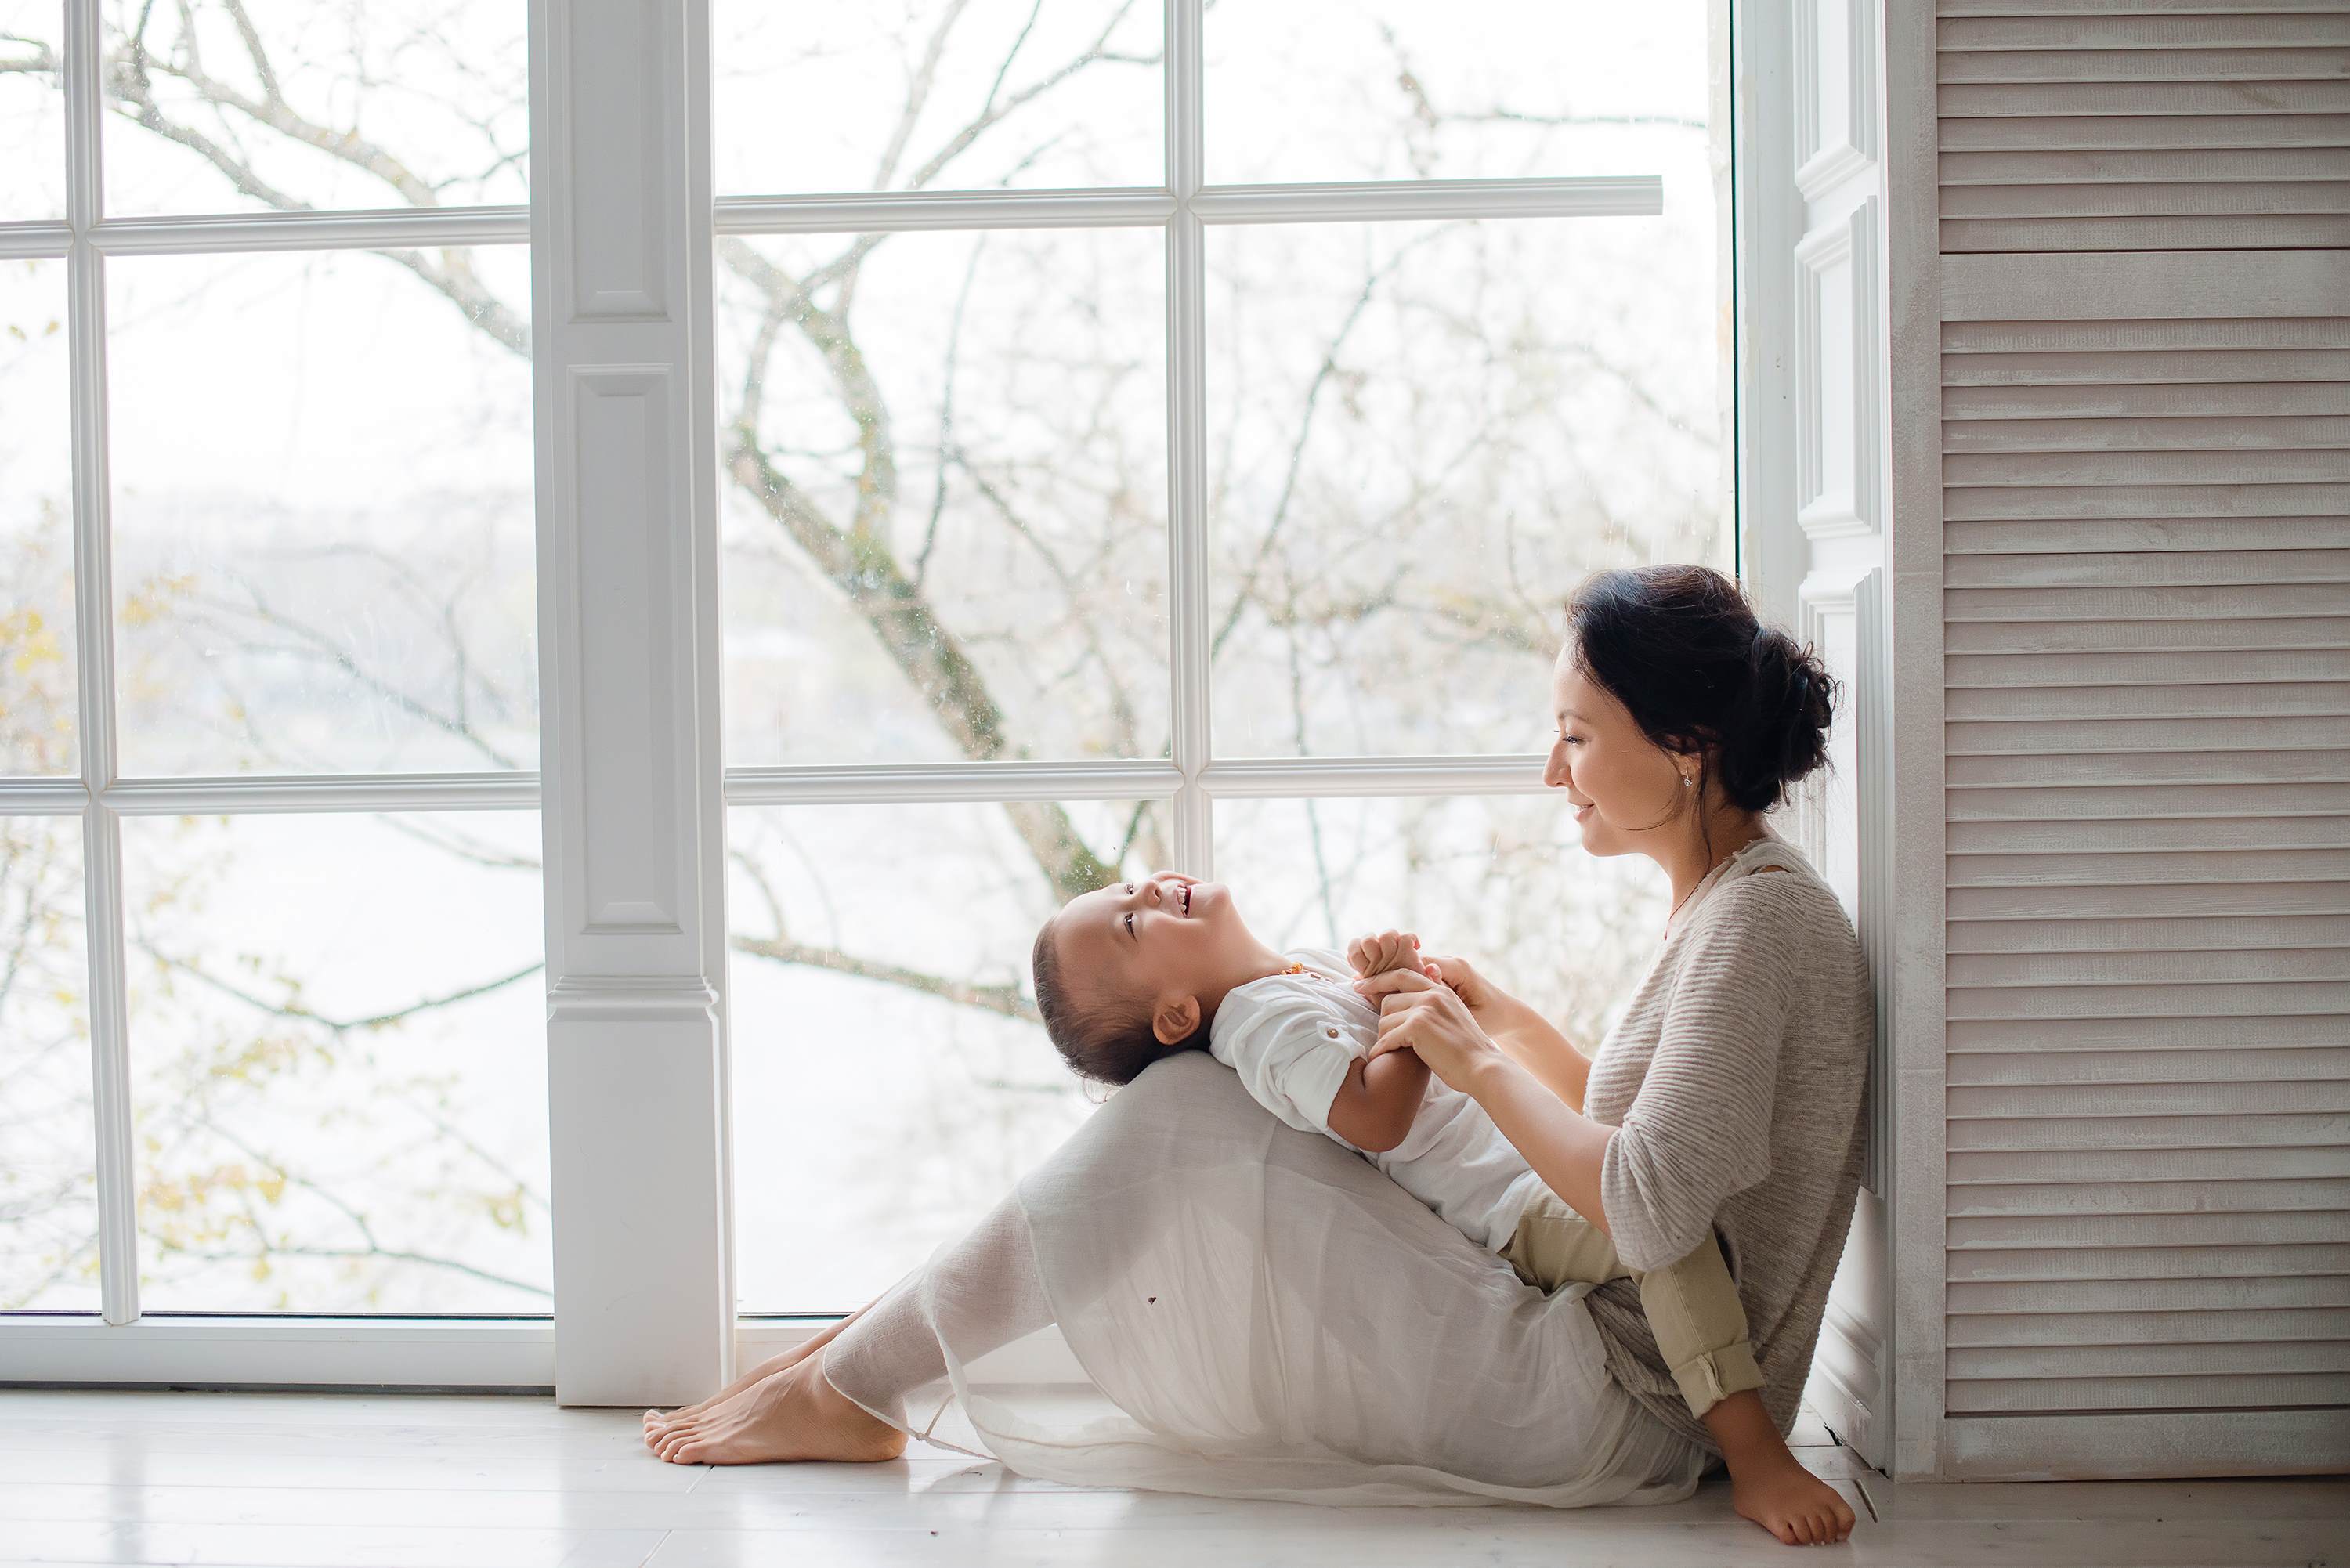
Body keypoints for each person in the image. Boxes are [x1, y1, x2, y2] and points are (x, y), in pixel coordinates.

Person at [644, 563, 1871, 1548]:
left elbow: (1650, 1207)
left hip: (1650, 1402)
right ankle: (859, 1363)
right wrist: (1489, 1017)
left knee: (1181, 1109)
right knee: (1188, 1101)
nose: (1552, 769)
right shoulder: (1729, 911)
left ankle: (858, 1380)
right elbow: (1621, 1127)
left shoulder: (1757, 923)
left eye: (1575, 735)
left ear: (1688, 743)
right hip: (1611, 1343)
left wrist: (1471, 1055)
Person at [1028, 868, 1828, 1533]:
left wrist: (1392, 975)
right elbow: (1374, 1116)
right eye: (1132, 923)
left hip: (1530, 1162)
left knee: (1662, 1193)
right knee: (1663, 1231)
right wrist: (1400, 1010)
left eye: (1130, 886)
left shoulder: (1297, 973)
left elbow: (1407, 1033)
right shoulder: (1255, 1026)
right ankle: (1755, 1456)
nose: (1152, 891)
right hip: (1508, 1204)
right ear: (1175, 1014)